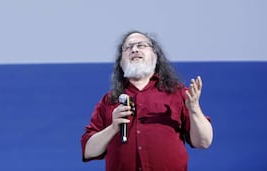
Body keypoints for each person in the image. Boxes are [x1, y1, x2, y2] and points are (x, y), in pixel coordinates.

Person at [81, 30, 213, 171]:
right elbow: (89, 150)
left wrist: (194, 109)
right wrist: (113, 128)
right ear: (120, 62)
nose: (135, 49)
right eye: (128, 47)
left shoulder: (178, 94)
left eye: (141, 45)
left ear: (155, 56)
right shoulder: (109, 101)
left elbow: (204, 142)